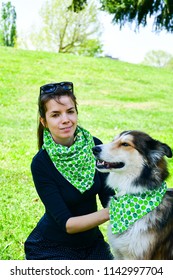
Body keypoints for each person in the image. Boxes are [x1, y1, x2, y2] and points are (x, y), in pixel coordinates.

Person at [24, 81, 114, 260]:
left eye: (70, 111)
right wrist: (114, 211)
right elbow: (68, 224)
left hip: (92, 244)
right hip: (51, 248)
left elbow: (108, 197)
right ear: (44, 122)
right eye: (55, 115)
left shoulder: (95, 146)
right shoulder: (41, 163)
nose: (65, 119)